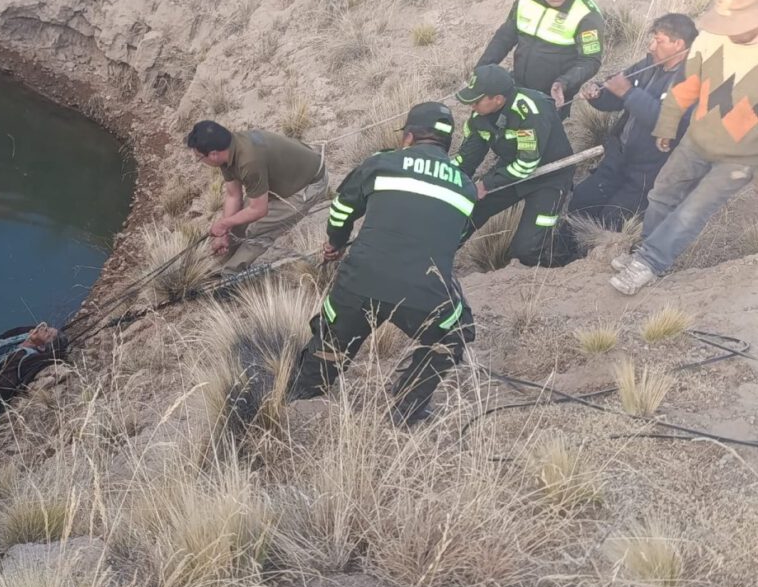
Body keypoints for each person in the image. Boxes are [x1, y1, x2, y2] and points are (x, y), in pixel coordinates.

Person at [286, 102, 477, 425]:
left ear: (409, 136)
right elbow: (453, 237)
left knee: (331, 340)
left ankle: (300, 398)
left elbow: (343, 208)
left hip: (360, 281)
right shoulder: (466, 186)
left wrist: (335, 243)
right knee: (456, 330)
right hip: (426, 290)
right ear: (446, 145)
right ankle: (407, 407)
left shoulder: (381, 163)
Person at [610, 0, 758, 295]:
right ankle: (647, 252)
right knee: (661, 193)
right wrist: (667, 124)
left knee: (694, 208)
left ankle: (649, 262)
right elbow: (687, 86)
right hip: (698, 138)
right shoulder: (709, 38)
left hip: (740, 156)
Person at [567, 13, 698, 232]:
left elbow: (669, 123)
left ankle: (596, 263)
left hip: (649, 171)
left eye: (659, 41)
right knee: (582, 200)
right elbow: (615, 95)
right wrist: (598, 94)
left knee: (612, 219)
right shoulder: (650, 64)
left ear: (679, 44)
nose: (651, 46)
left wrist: (629, 92)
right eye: (652, 38)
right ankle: (561, 260)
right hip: (618, 157)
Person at [453, 64, 575, 266]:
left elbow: (526, 165)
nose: (471, 106)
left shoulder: (530, 111)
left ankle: (562, 265)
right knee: (464, 213)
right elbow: (466, 160)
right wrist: (447, 179)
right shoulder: (479, 117)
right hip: (509, 171)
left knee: (525, 252)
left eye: (476, 100)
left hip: (549, 177)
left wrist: (486, 184)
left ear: (498, 99)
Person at [187, 120, 328, 274]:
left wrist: (223, 224)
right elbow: (233, 195)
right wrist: (224, 231)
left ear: (213, 154)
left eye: (199, 157)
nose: (199, 161)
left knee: (261, 229)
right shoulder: (227, 150)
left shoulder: (249, 161)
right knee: (239, 220)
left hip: (306, 185)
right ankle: (222, 261)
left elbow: (259, 210)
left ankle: (230, 275)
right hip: (280, 180)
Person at [477, 0, 605, 116]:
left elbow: (590, 61)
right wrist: (482, 69)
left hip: (552, 95)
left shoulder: (586, 14)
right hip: (518, 84)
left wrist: (563, 83)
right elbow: (505, 36)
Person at [0, 323, 69, 402]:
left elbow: (3, 388)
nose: (43, 328)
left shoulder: (22, 356)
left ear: (41, 347)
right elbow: (11, 333)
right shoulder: (27, 334)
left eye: (47, 333)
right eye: (47, 328)